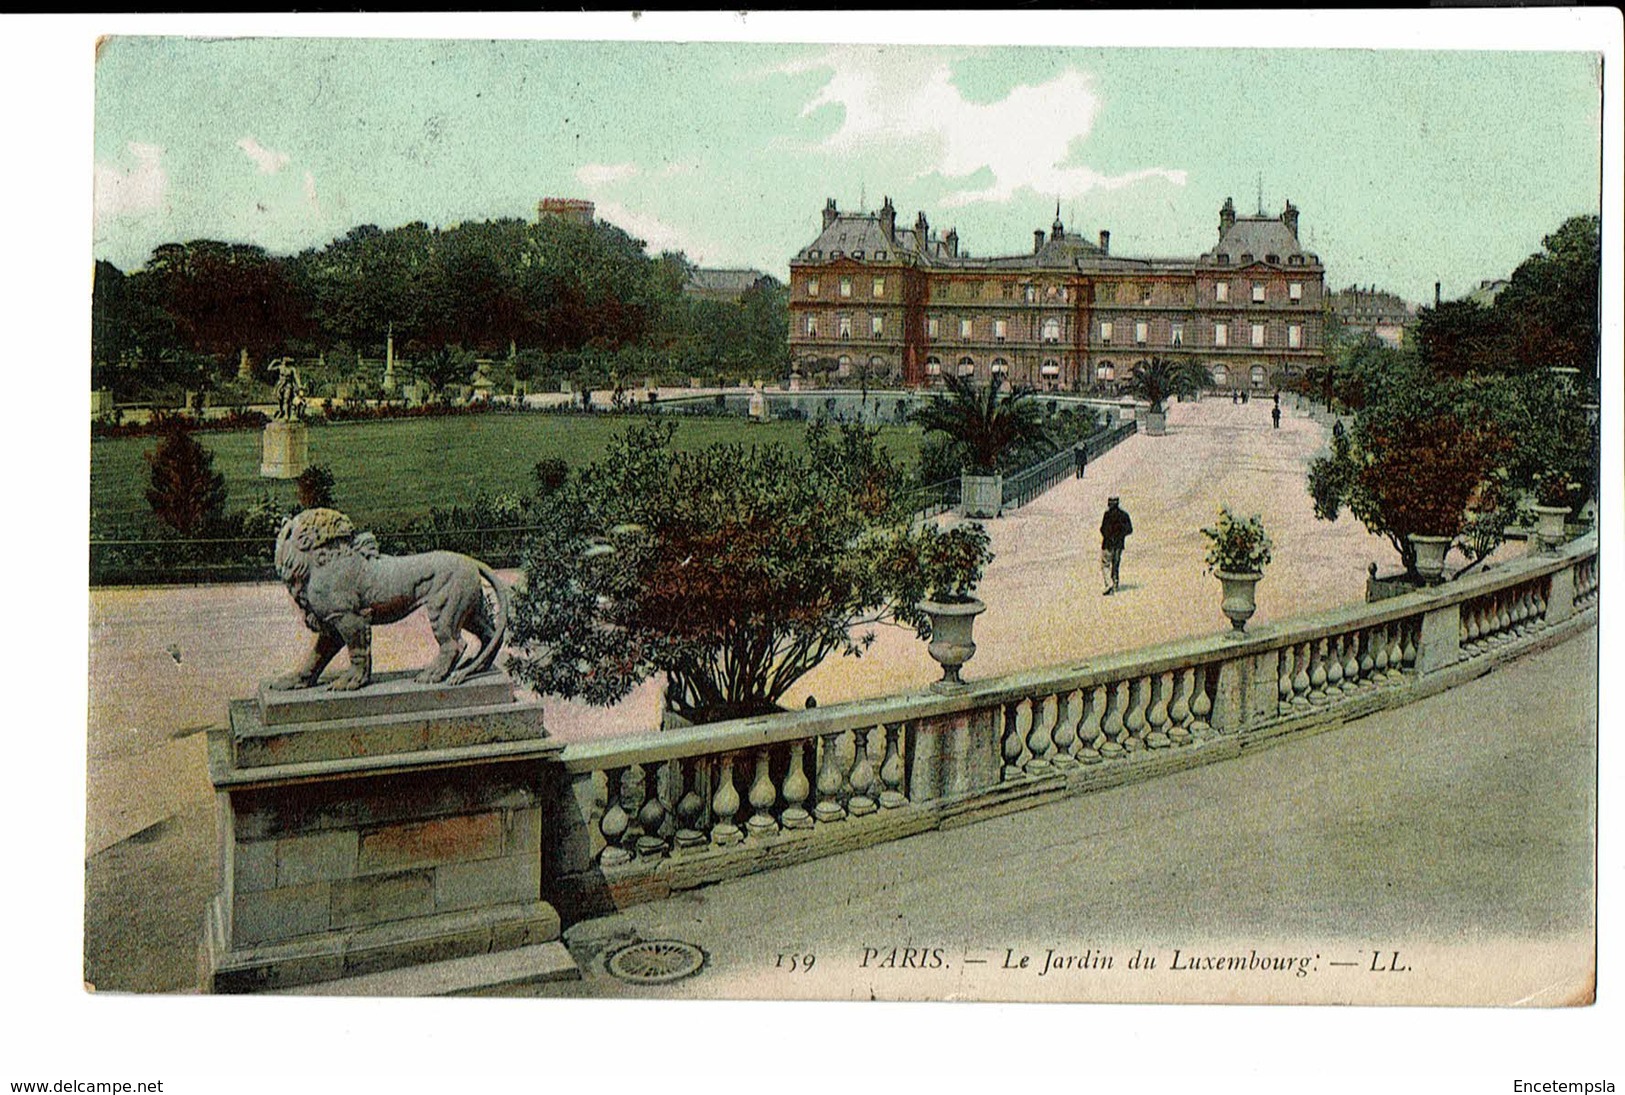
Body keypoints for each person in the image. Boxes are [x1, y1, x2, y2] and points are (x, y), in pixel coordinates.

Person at [1099, 496, 1133, 595]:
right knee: (1116, 564)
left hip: (1108, 544)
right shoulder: (1124, 515)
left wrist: (1108, 536)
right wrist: (1120, 535)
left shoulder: (1107, 515)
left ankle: (1108, 584)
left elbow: (1102, 529)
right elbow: (1129, 529)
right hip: (1119, 544)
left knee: (1105, 564)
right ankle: (1115, 582)